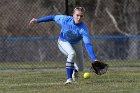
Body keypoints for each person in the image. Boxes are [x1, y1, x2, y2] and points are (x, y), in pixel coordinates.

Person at [29, 7, 98, 84]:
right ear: (73, 14)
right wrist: (37, 20)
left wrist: (94, 59)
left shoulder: (83, 29)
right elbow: (52, 17)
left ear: (83, 17)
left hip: (76, 43)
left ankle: (75, 70)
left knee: (81, 68)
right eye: (77, 15)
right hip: (63, 41)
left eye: (81, 16)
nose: (79, 18)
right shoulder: (65, 19)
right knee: (72, 54)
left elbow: (87, 44)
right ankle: (69, 79)